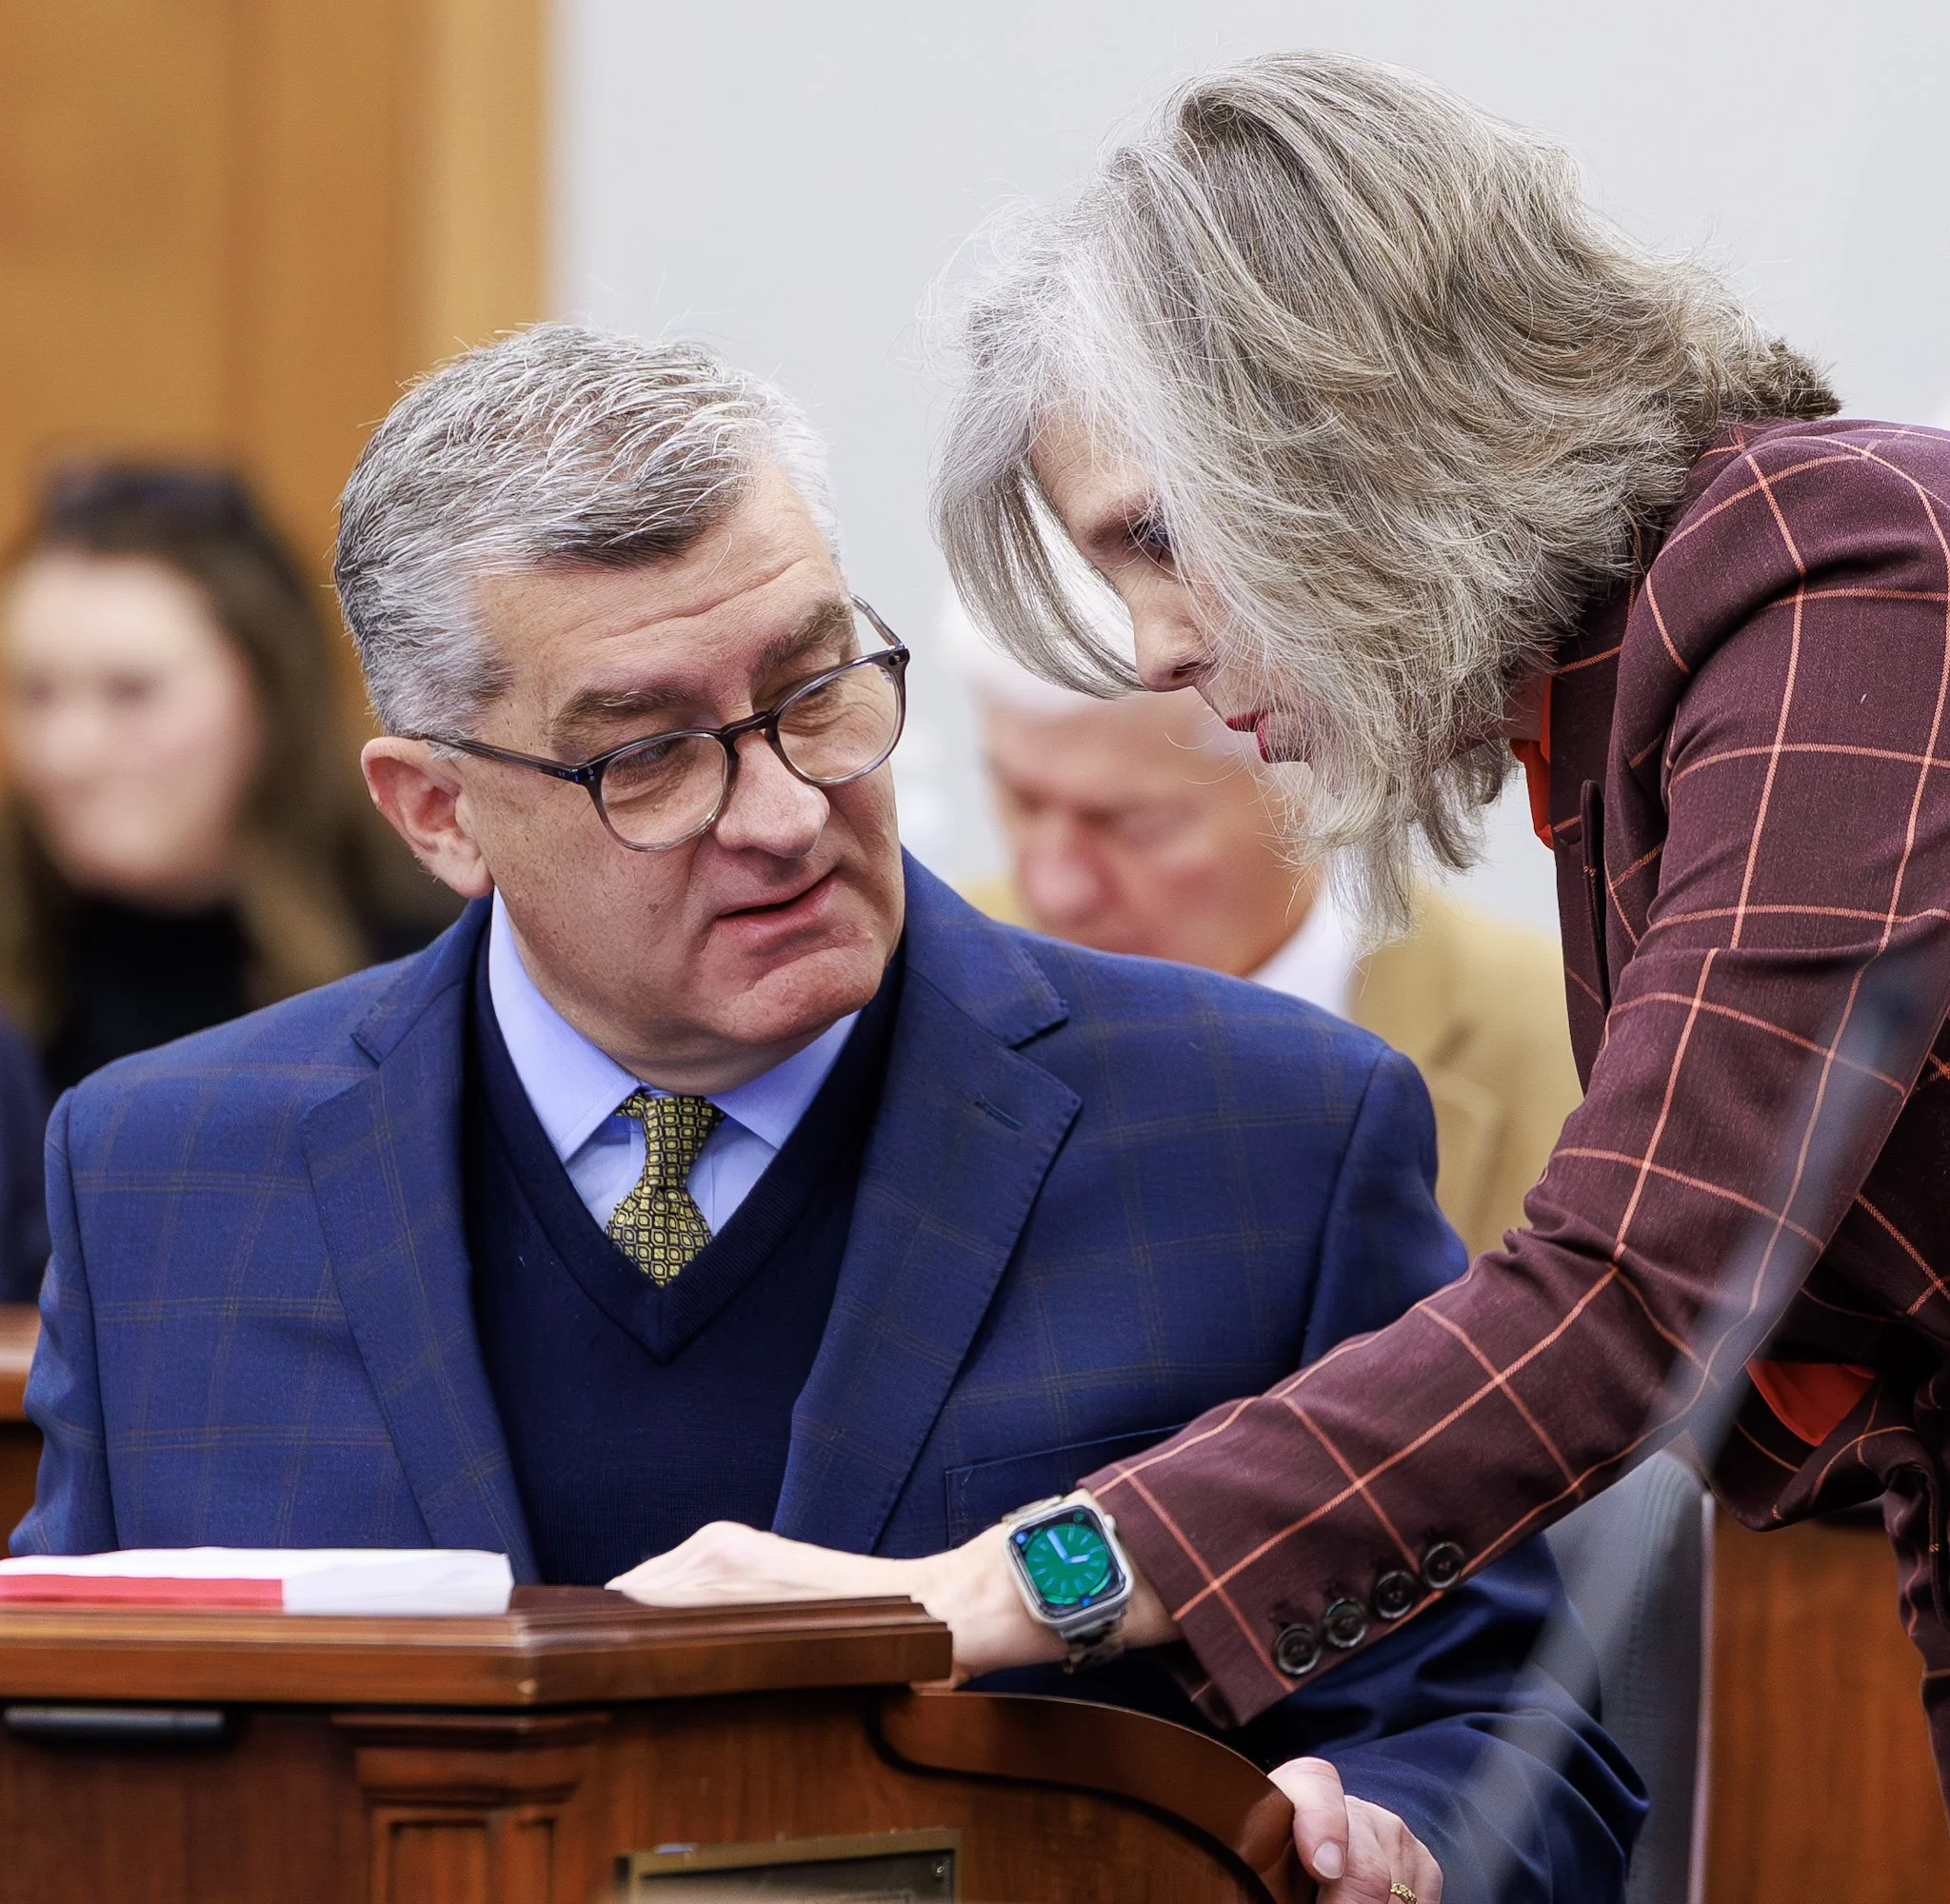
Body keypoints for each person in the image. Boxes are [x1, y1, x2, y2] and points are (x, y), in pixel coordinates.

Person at [14, 325, 1642, 1904]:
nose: (788, 814)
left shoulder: (1261, 1138)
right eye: (654, 757)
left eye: (816, 689)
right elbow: (70, 1759)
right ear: (439, 812)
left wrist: (1395, 1837)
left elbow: (1511, 1746)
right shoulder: (164, 1178)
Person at [633, 47, 1950, 1829]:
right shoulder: (1678, 670)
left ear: (1364, 421)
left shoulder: (1833, 569)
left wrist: (982, 1593)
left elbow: (1630, 1293)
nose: (1155, 647)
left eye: (1161, 537)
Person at [956, 609, 1579, 1256]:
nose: (1055, 888)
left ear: (1305, 783)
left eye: (1132, 825)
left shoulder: (1566, 1043)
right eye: (1021, 801)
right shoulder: (927, 977)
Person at [0, 465, 459, 1098]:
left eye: (132, 691)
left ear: (270, 696)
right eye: (34, 693)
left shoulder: (437, 957)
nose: (65, 752)